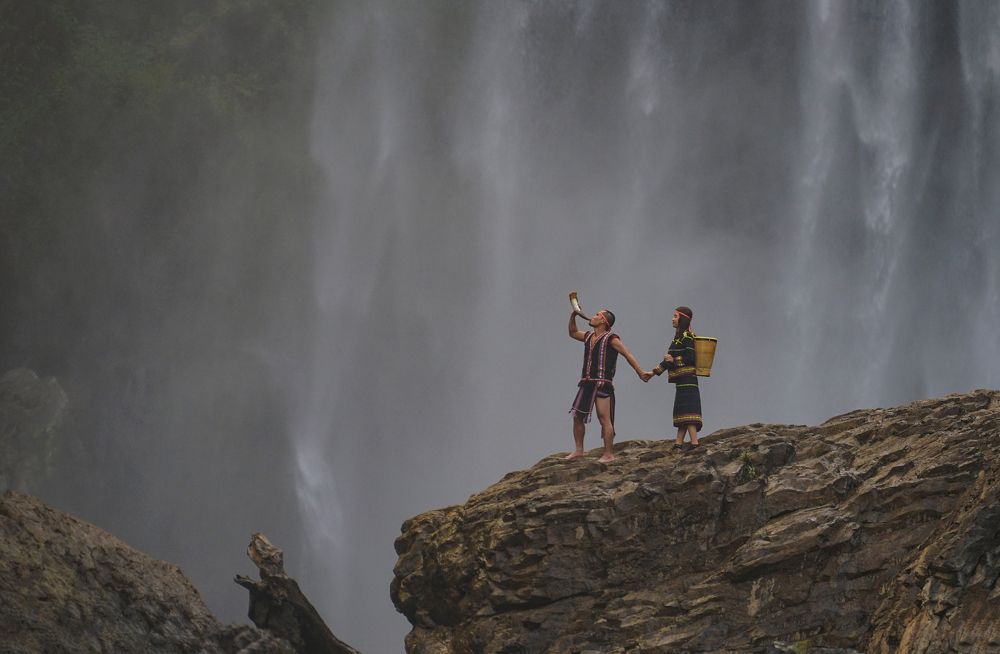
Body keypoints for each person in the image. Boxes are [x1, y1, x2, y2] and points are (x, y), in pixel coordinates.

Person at [567, 308, 649, 463]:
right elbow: (572, 332)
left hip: (602, 384)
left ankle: (608, 454)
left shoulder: (611, 339)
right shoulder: (589, 336)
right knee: (577, 416)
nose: (593, 316)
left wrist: (640, 372)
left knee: (604, 419)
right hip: (587, 382)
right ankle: (579, 450)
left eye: (597, 315)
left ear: (604, 321)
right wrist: (573, 316)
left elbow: (627, 354)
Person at [642, 306, 703, 450]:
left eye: (675, 316)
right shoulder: (677, 339)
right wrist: (653, 373)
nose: (672, 319)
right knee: (682, 412)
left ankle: (695, 443)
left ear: (682, 319)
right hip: (681, 381)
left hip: (689, 380)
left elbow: (690, 358)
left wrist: (673, 361)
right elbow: (668, 360)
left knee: (689, 411)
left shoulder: (688, 337)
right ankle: (678, 443)